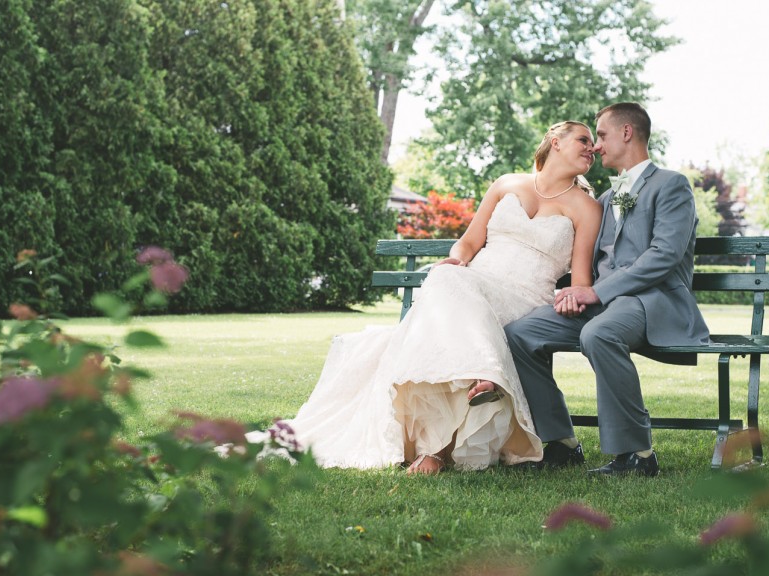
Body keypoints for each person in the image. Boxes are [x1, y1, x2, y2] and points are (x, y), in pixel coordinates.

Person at [286, 121, 601, 474]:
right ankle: (457, 413)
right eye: (583, 140)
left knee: (452, 297)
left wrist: (575, 294)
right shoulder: (506, 184)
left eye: (594, 143)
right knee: (447, 279)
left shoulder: (586, 207)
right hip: (475, 284)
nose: (592, 148)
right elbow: (468, 242)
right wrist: (457, 258)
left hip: (524, 299)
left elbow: (581, 277)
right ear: (555, 142)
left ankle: (440, 443)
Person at [505, 102, 710, 477]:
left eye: (600, 135)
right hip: (605, 302)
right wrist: (569, 291)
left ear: (626, 133)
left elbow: (664, 255)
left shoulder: (671, 185)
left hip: (654, 300)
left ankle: (638, 455)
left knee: (599, 334)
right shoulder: (604, 198)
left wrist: (597, 293)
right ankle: (562, 442)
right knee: (520, 333)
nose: (596, 147)